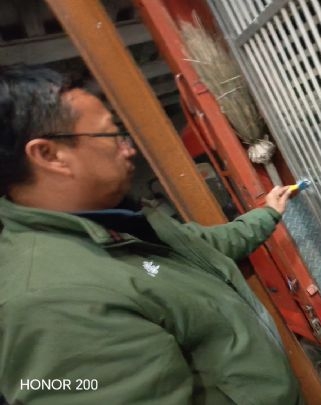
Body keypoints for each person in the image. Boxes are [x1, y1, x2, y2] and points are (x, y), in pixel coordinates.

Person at [0, 65, 299, 404]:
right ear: (50, 155)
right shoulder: (53, 303)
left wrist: (267, 213)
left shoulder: (119, 224)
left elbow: (204, 247)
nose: (128, 149)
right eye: (112, 135)